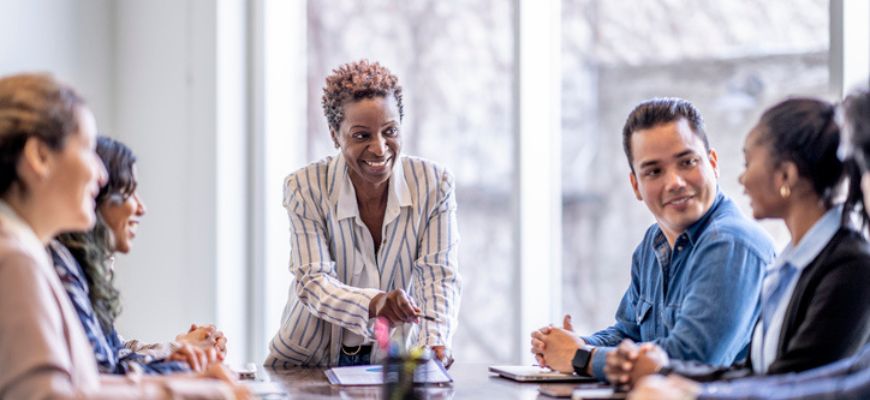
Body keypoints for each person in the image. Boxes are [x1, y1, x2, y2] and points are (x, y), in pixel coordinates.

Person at [0, 73, 245, 399]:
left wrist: (181, 384)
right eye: (87, 149)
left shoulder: (26, 252)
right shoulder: (15, 259)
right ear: (40, 157)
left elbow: (82, 384)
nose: (101, 176)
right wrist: (181, 392)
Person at [629, 89, 870, 400]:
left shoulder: (851, 266)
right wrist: (670, 375)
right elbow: (762, 374)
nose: (741, 178)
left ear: (785, 175)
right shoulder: (791, 264)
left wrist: (695, 393)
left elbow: (802, 385)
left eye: (748, 162)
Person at [531, 98, 775, 381]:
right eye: (654, 171)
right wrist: (571, 345)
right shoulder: (653, 243)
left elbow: (690, 360)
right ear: (636, 185)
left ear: (713, 163)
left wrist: (581, 357)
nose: (674, 182)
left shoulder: (731, 243)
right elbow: (628, 333)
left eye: (687, 162)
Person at [265, 60, 461, 368]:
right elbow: (313, 281)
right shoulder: (305, 187)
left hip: (392, 363)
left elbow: (438, 274)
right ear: (335, 135)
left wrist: (435, 340)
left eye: (390, 131)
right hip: (307, 364)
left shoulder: (434, 185)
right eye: (361, 136)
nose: (380, 148)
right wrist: (375, 303)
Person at [52, 135, 227, 375]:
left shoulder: (82, 267)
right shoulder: (60, 267)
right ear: (95, 196)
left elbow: (113, 351)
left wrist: (178, 350)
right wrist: (180, 366)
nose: (141, 208)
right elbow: (103, 373)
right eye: (128, 192)